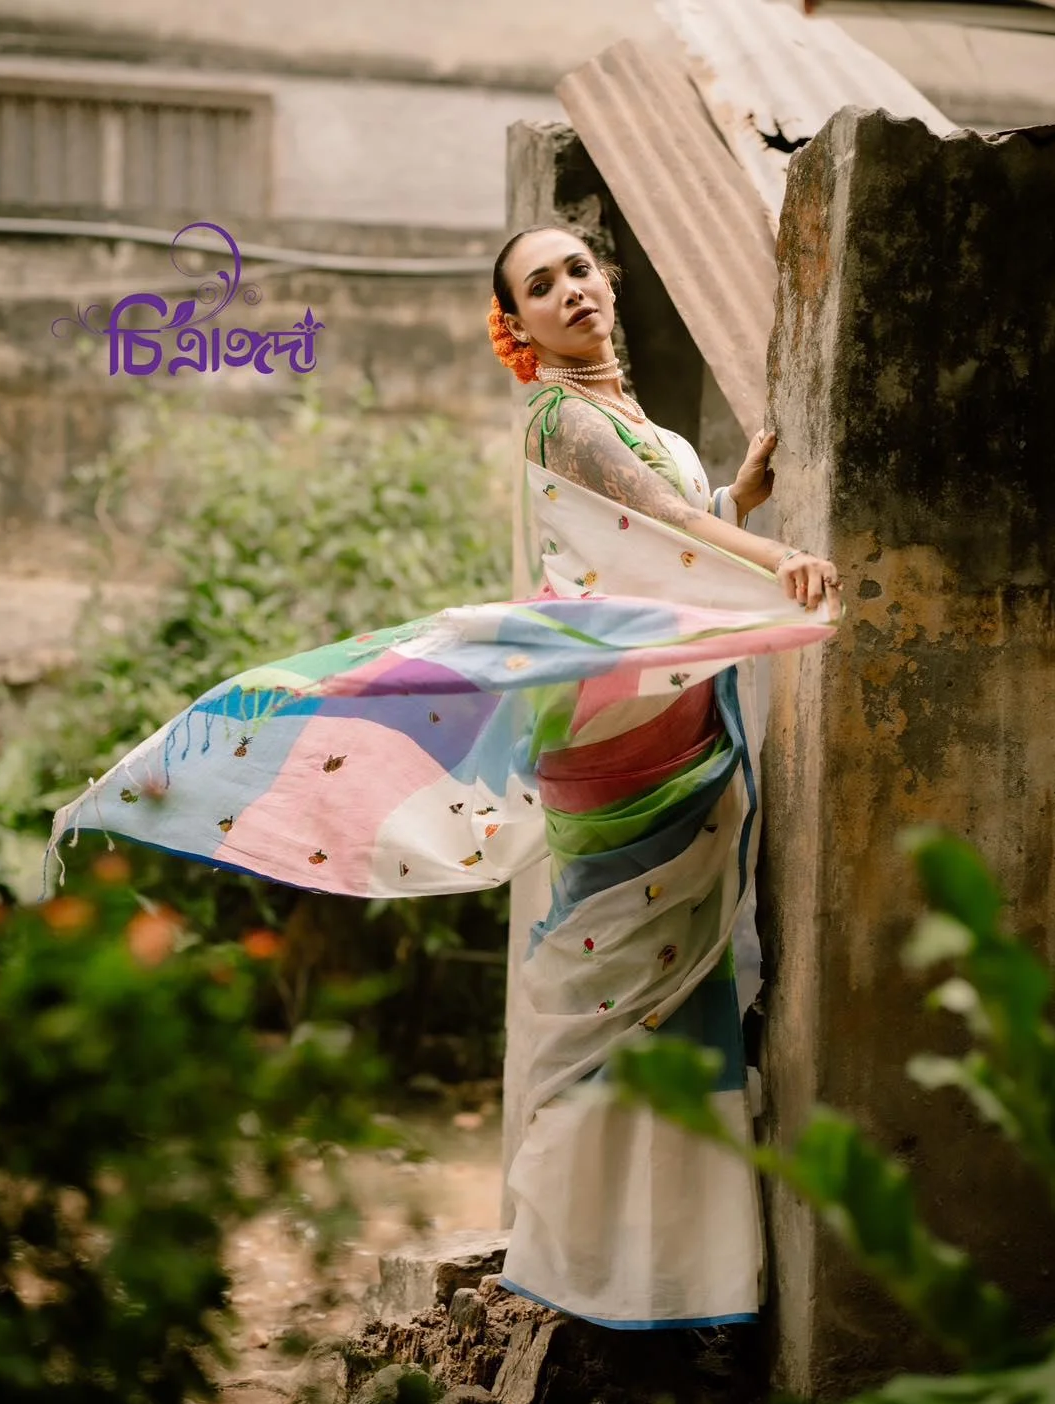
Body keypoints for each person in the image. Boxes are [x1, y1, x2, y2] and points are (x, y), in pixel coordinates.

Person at [46, 225, 840, 1332]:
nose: (571, 290)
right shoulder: (559, 417)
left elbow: (654, 550)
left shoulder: (633, 418)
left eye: (579, 270)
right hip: (614, 731)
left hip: (666, 707)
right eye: (541, 286)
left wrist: (737, 506)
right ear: (518, 326)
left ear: (607, 279)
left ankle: (679, 1279)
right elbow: (659, 529)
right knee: (615, 995)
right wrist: (781, 559)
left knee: (671, 996)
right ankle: (592, 1271)